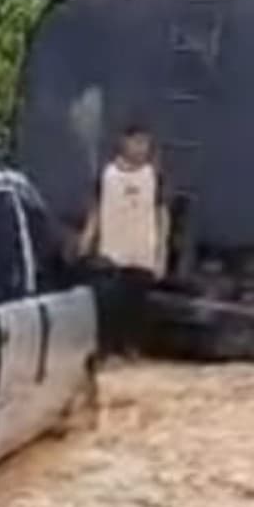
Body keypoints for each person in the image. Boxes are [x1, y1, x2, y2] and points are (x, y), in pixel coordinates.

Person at [80, 124, 168, 355]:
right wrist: (86, 241)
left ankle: (131, 348)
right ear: (123, 142)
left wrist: (161, 254)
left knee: (136, 306)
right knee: (108, 304)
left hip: (141, 253)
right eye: (137, 142)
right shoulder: (107, 174)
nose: (141, 149)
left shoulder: (154, 177)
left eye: (145, 143)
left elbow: (162, 215)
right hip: (111, 253)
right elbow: (95, 210)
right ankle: (106, 349)